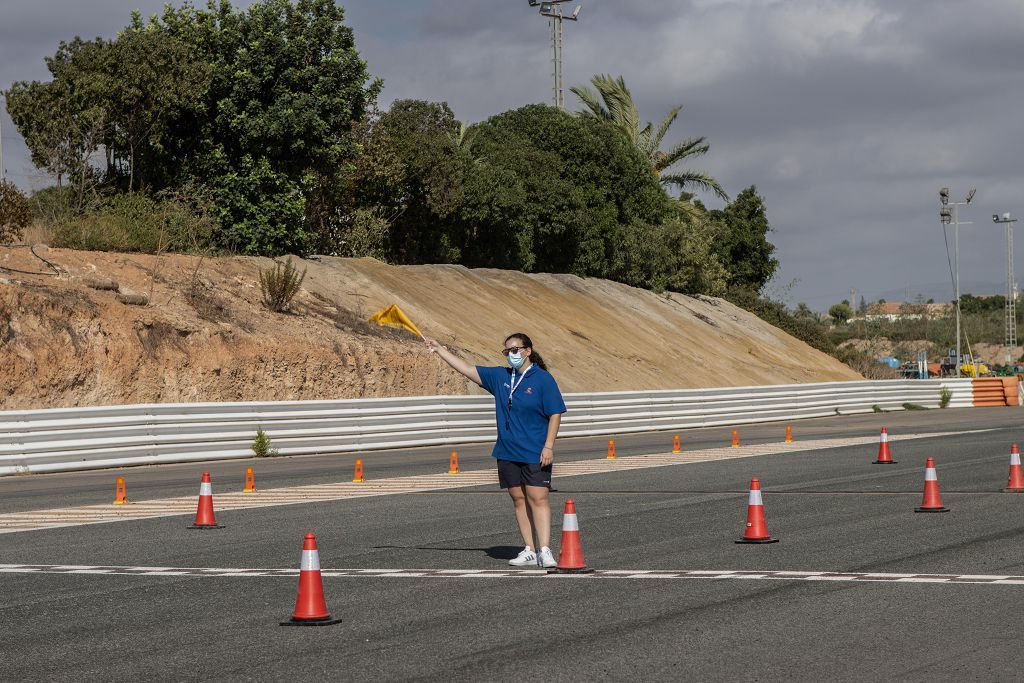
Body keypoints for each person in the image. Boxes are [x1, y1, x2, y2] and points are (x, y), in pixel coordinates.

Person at [425, 332, 567, 568]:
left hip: (535, 450)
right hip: (507, 450)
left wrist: (549, 446)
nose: (511, 355)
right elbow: (468, 369)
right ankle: (530, 550)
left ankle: (545, 549)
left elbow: (555, 413)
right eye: (507, 351)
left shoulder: (543, 380)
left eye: (515, 350)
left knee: (538, 498)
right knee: (519, 499)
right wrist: (440, 350)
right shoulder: (501, 376)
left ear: (528, 351)